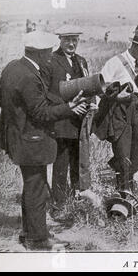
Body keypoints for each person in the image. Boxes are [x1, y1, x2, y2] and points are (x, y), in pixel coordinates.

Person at [0, 31, 88, 250]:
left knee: (31, 188)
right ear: (39, 53)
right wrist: (70, 108)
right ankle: (37, 241)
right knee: (37, 190)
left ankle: (31, 232)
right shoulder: (29, 75)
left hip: (20, 138)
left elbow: (0, 93)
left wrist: (16, 116)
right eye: (47, 53)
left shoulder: (13, 67)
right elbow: (42, 113)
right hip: (32, 141)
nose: (50, 57)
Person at [93, 23, 138, 192]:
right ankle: (123, 194)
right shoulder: (115, 63)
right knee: (122, 155)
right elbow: (101, 88)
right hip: (119, 114)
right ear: (135, 46)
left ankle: (136, 191)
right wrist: (115, 97)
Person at [46, 25, 96, 211]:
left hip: (80, 122)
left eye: (74, 39)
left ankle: (78, 198)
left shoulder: (81, 61)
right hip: (62, 121)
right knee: (61, 164)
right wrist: (68, 107)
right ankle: (58, 204)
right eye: (67, 39)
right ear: (60, 40)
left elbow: (87, 86)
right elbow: (48, 93)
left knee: (79, 161)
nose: (71, 43)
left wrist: (91, 102)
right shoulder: (51, 60)